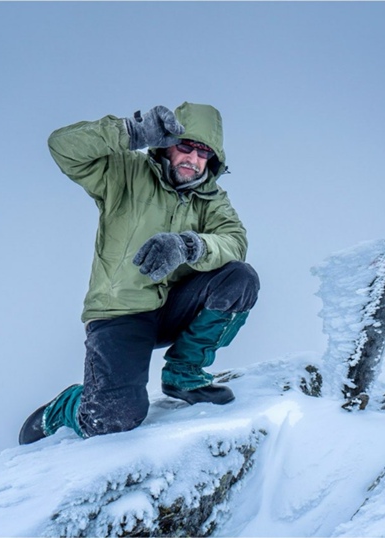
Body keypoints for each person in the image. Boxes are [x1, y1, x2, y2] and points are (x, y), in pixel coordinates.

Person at [18, 102, 260, 444]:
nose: (193, 158)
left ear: (213, 160)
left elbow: (234, 242)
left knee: (240, 278)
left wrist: (187, 246)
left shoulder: (212, 199)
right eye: (185, 146)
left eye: (203, 152)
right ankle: (67, 406)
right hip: (121, 312)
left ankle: (184, 373)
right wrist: (131, 132)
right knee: (115, 418)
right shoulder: (125, 172)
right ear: (166, 145)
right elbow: (62, 147)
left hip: (174, 307)